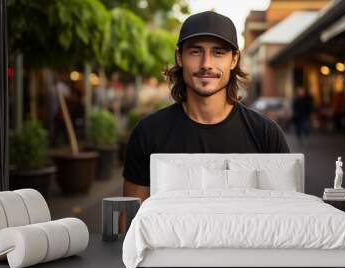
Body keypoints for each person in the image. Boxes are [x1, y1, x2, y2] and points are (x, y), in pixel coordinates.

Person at [122, 11, 290, 202]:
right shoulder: (148, 133)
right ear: (179, 57)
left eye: (218, 52)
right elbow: (130, 224)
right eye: (195, 51)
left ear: (234, 59)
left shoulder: (265, 134)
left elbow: (285, 216)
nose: (206, 64)